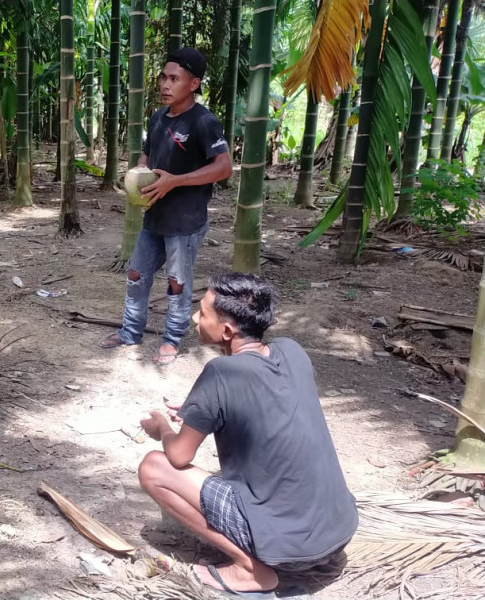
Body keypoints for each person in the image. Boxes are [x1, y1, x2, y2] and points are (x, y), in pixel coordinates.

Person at [136, 273, 358, 598]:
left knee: (153, 467)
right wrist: (202, 408)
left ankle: (249, 570)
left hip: (289, 550)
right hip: (337, 534)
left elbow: (179, 456)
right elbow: (266, 400)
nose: (196, 318)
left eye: (203, 312)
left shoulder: (221, 373)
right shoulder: (292, 351)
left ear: (226, 331)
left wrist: (163, 429)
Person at [100, 47, 233, 365]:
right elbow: (148, 155)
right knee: (136, 274)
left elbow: (224, 167)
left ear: (194, 83)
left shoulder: (204, 122)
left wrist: (176, 180)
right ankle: (130, 332)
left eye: (174, 78)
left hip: (185, 222)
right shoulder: (158, 118)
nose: (165, 84)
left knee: (177, 283)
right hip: (155, 217)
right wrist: (138, 174)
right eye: (163, 76)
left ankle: (172, 339)